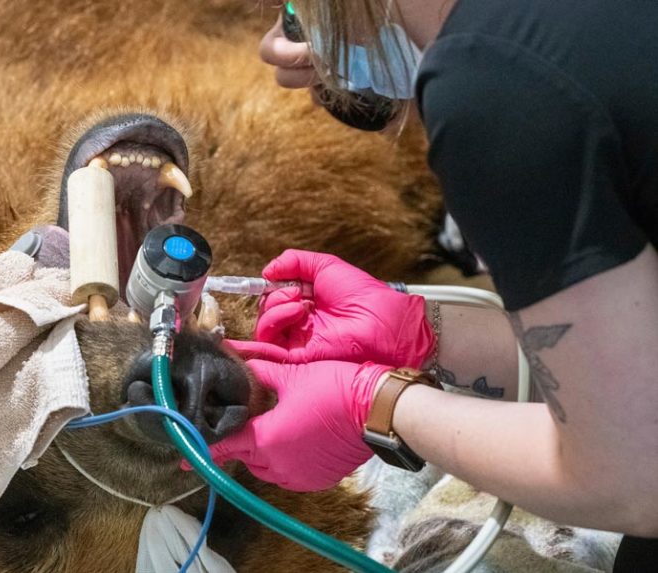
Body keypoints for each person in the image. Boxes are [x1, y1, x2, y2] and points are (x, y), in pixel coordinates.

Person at [197, 0, 658, 569]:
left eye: (296, 9)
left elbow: (631, 478)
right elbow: (631, 377)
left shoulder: (495, 88)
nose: (274, 46)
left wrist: (379, 406)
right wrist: (422, 331)